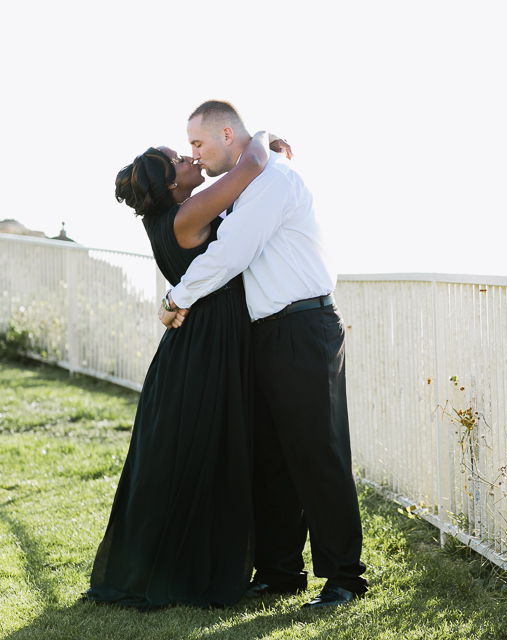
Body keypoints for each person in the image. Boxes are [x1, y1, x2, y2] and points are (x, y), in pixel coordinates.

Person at [161, 100, 368, 609]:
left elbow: (232, 252)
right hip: (269, 333)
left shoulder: (274, 181)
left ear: (227, 133)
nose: (195, 154)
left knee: (318, 453)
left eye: (198, 143)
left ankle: (345, 577)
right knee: (272, 457)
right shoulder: (250, 181)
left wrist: (176, 298)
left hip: (303, 325)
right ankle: (280, 573)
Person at [83, 130, 286, 610]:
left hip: (196, 341)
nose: (190, 156)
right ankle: (190, 570)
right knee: (206, 451)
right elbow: (251, 166)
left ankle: (179, 563)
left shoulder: (169, 217)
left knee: (191, 455)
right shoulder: (185, 215)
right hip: (207, 344)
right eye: (179, 158)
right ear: (172, 186)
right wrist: (261, 135)